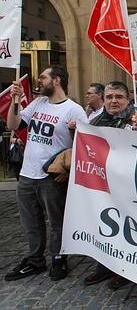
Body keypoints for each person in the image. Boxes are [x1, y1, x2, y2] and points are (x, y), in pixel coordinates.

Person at [4, 65, 88, 281]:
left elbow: (85, 145)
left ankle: (59, 258)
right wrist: (15, 101)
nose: (39, 81)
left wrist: (70, 172)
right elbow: (13, 124)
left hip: (52, 175)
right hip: (27, 174)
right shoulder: (38, 103)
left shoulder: (73, 109)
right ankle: (35, 260)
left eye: (43, 77)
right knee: (30, 221)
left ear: (57, 80)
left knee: (56, 220)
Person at [79, 81, 133, 287]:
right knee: (104, 228)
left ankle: (127, 271)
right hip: (103, 186)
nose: (113, 101)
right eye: (109, 97)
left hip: (129, 189)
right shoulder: (96, 122)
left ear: (128, 99)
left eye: (118, 96)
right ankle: (104, 267)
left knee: (128, 231)